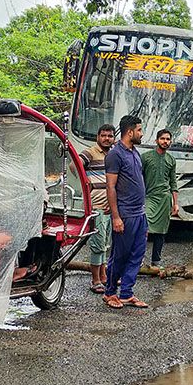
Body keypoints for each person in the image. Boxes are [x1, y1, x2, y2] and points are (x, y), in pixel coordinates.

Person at [103, 115, 150, 309]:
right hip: (125, 214)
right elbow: (111, 187)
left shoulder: (135, 153)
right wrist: (116, 217)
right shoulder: (115, 154)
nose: (141, 133)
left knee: (137, 254)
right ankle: (110, 292)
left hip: (139, 213)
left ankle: (127, 293)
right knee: (120, 255)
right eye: (139, 130)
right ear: (130, 132)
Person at [80, 123, 116, 294]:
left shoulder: (113, 154)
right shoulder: (90, 152)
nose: (106, 139)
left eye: (110, 136)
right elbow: (75, 167)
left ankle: (103, 275)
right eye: (103, 136)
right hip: (96, 206)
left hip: (109, 208)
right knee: (97, 243)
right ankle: (95, 280)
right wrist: (87, 185)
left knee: (104, 243)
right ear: (98, 137)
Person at [142, 128, 179, 268]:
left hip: (165, 199)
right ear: (156, 140)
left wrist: (176, 204)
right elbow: (138, 178)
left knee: (161, 232)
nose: (165, 141)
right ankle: (138, 260)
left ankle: (156, 261)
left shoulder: (171, 160)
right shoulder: (145, 157)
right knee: (143, 228)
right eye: (162, 139)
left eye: (168, 139)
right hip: (148, 197)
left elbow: (173, 183)